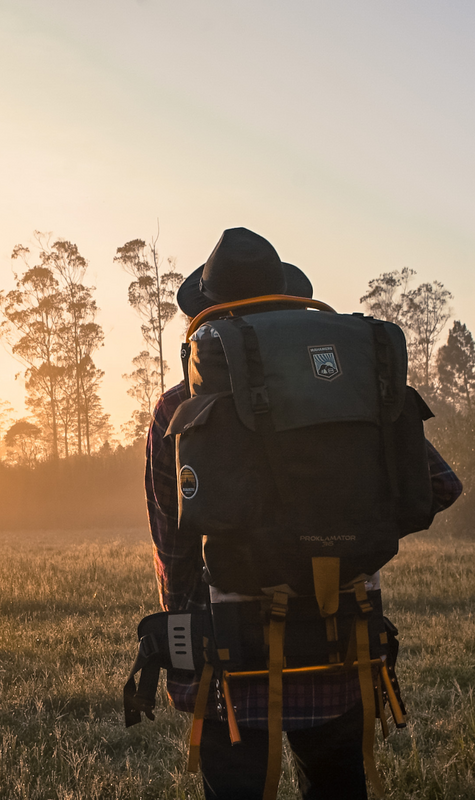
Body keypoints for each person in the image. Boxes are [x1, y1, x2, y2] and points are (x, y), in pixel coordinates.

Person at [145, 227, 462, 800]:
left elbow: (173, 543)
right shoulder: (358, 389)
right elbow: (437, 487)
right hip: (342, 636)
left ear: (211, 314)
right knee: (339, 785)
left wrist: (183, 639)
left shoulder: (177, 408)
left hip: (231, 653)